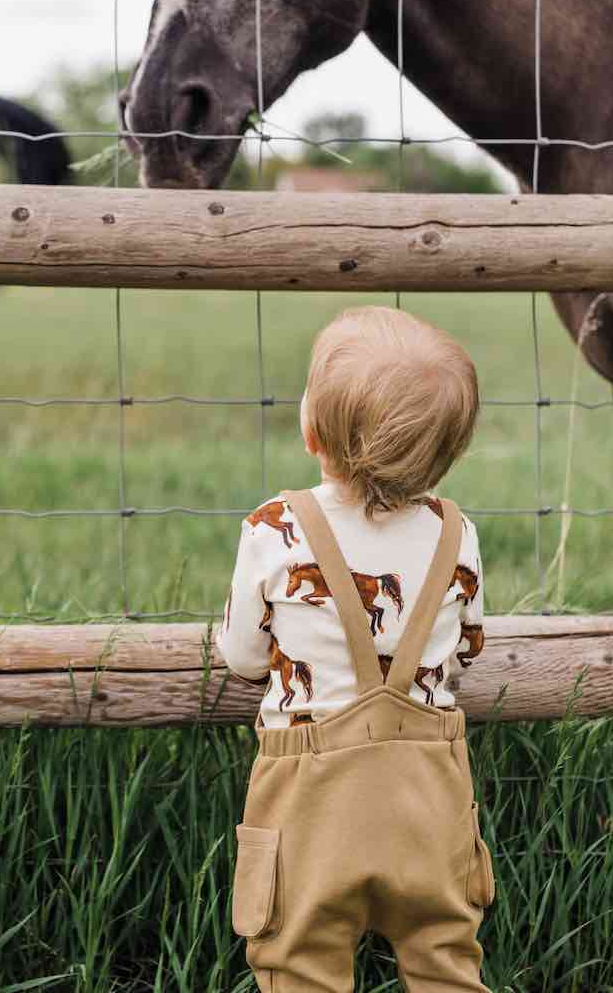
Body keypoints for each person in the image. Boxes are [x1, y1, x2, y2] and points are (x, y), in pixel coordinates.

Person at [216, 305, 495, 992]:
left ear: (312, 432)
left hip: (308, 799)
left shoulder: (275, 529)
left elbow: (244, 657)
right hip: (429, 795)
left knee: (297, 963)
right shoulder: (457, 534)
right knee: (444, 961)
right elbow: (465, 650)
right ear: (446, 452)